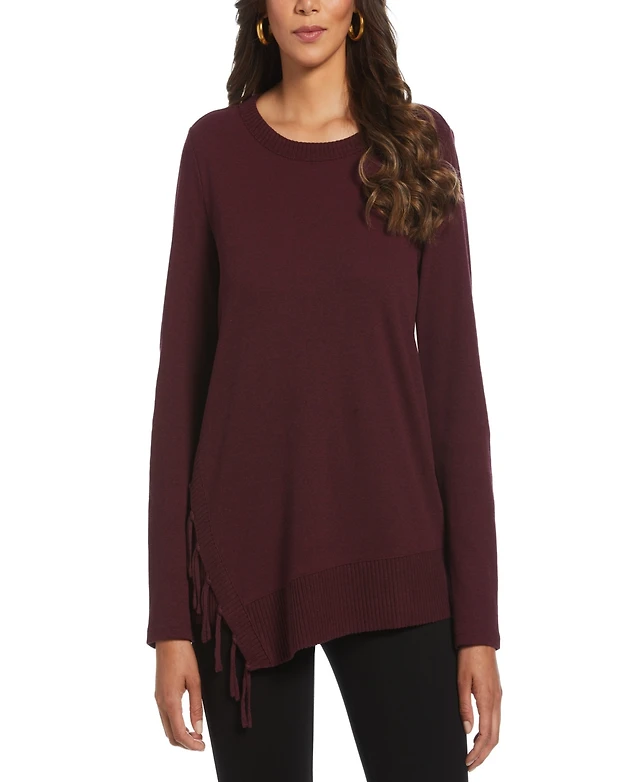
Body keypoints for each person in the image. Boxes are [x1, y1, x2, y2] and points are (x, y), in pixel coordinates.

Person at [146, 1, 503, 779]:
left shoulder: (418, 146)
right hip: (244, 567)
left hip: (394, 552)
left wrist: (479, 625)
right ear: (261, 13)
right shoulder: (214, 151)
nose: (308, 2)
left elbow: (456, 392)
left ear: (359, 11)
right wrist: (170, 620)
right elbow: (180, 391)